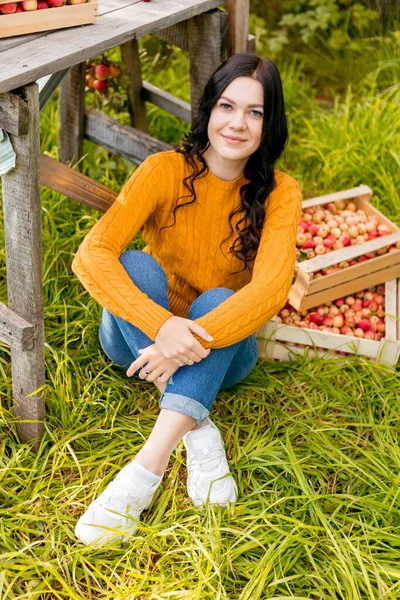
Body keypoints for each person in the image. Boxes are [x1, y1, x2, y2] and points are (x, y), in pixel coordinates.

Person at [72, 52, 302, 546]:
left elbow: (270, 291)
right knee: (133, 265)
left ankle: (142, 474)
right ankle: (199, 431)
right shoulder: (163, 171)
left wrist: (184, 336)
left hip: (224, 350)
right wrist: (162, 327)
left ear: (270, 122)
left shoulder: (281, 192)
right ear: (209, 111)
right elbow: (92, 256)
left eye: (255, 112)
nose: (238, 123)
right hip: (139, 341)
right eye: (227, 106)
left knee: (221, 296)